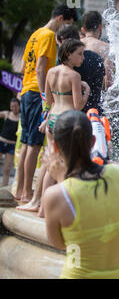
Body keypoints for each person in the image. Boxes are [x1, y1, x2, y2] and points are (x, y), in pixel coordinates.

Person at [43, 110, 119, 278]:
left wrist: (62, 180)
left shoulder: (56, 195)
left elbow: (59, 243)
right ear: (93, 141)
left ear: (56, 147)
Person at [17, 39, 90, 214]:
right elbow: (78, 105)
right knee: (61, 162)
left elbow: (48, 101)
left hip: (52, 120)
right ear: (68, 54)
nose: (83, 58)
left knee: (49, 161)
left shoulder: (51, 72)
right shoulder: (74, 76)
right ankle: (46, 207)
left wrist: (45, 119)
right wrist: (86, 90)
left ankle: (38, 202)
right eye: (79, 54)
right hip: (66, 121)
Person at [15, 4, 77, 204]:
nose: (64, 30)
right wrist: (45, 98)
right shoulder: (49, 36)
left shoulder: (34, 34)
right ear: (60, 18)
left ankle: (19, 189)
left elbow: (25, 66)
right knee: (33, 144)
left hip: (26, 90)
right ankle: (26, 192)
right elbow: (41, 67)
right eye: (66, 24)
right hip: (35, 93)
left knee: (26, 143)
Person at [56, 25, 105, 114]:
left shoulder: (62, 66)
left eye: (60, 45)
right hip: (95, 113)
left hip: (72, 116)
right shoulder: (96, 58)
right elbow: (101, 86)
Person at [80, 11, 113, 89]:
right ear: (100, 27)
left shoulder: (73, 45)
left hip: (73, 94)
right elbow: (109, 81)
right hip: (94, 95)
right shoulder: (106, 48)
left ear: (83, 30)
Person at [0, 98, 20, 187]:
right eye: (12, 106)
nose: (13, 108)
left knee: (7, 169)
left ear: (19, 106)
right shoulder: (6, 114)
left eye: (15, 106)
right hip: (1, 142)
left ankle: (3, 188)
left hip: (12, 145)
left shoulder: (21, 117)